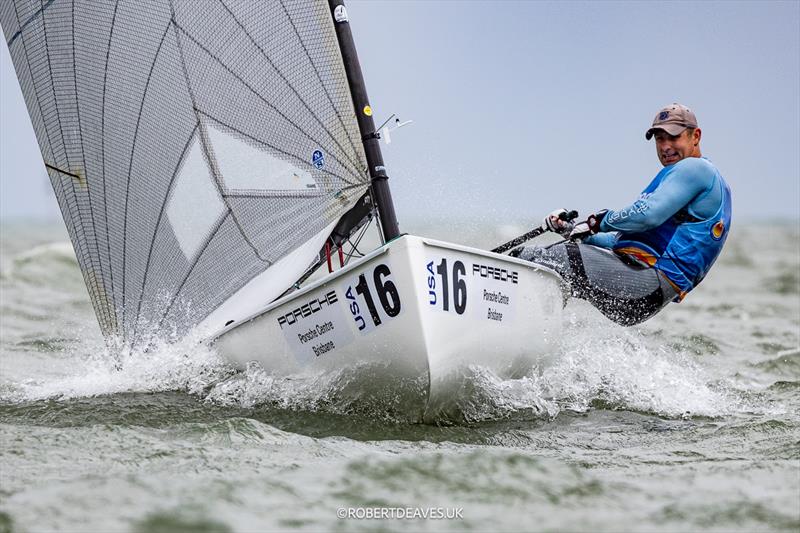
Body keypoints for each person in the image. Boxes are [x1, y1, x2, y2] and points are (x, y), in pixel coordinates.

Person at [511, 103, 732, 325]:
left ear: (696, 136)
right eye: (659, 139)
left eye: (674, 137)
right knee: (548, 266)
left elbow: (647, 216)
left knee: (535, 258)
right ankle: (531, 332)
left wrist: (600, 220)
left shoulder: (696, 169)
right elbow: (619, 241)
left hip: (646, 281)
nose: (666, 146)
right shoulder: (684, 180)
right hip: (642, 288)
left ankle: (508, 321)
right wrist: (574, 231)